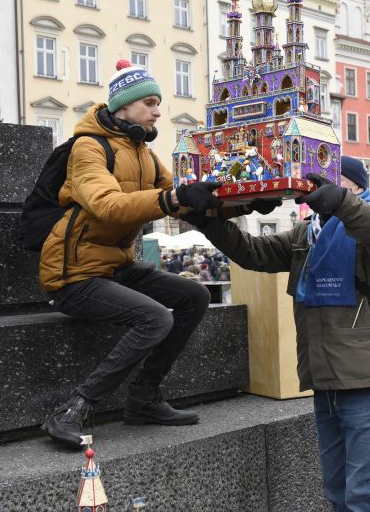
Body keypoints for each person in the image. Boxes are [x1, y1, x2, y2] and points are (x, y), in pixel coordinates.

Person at [187, 156, 370, 512]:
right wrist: (207, 222)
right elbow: (254, 253)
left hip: (368, 381)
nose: (312, 188)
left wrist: (342, 204)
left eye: (326, 181)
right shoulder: (310, 231)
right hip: (324, 379)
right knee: (337, 492)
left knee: (365, 496)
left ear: (352, 185)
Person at [39, 60, 226, 449]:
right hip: (75, 274)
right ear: (124, 106)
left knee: (195, 295)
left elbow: (182, 196)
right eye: (151, 103)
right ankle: (73, 408)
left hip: (115, 267)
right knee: (154, 317)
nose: (159, 111)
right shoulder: (88, 147)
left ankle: (143, 398)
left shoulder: (142, 151)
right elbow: (108, 205)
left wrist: (238, 202)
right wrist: (172, 197)